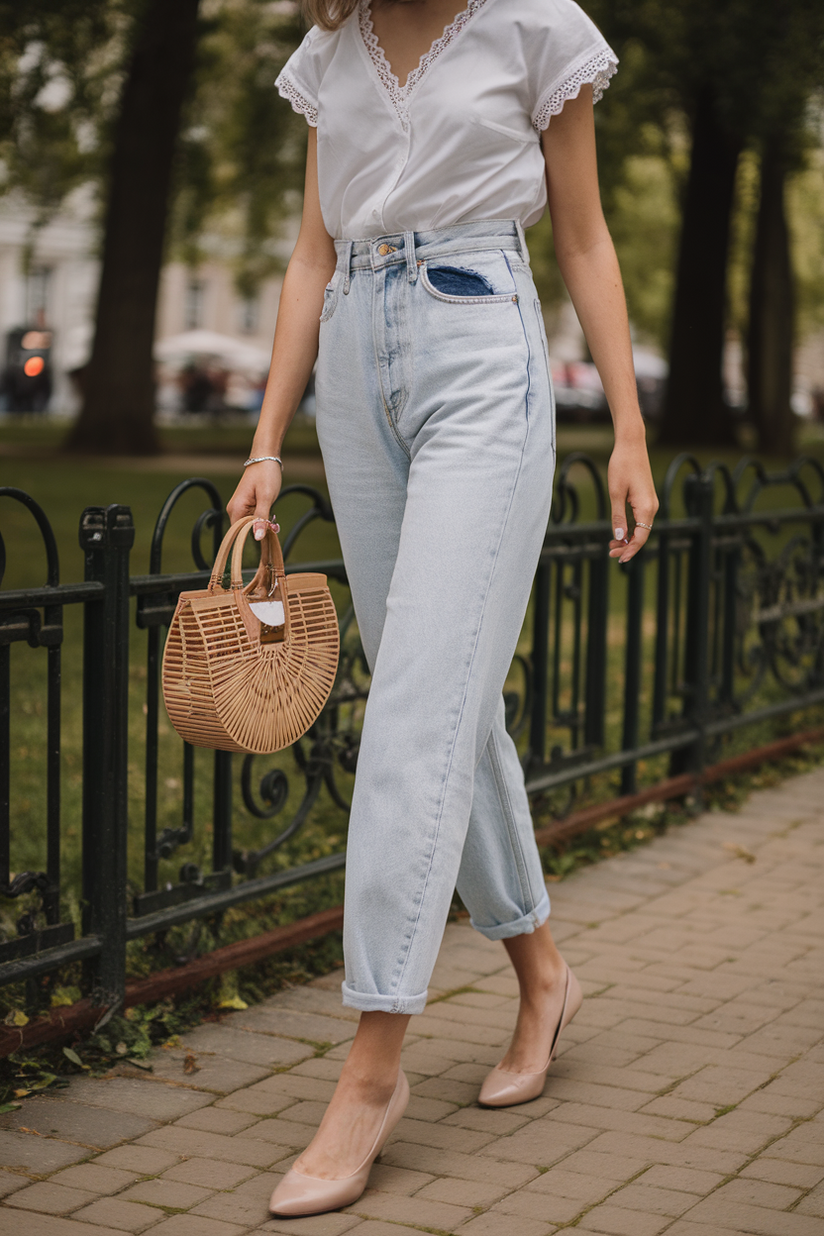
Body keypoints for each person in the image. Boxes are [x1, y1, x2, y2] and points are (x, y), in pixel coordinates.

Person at [227, 0, 659, 1218]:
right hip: (355, 374)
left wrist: (626, 427)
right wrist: (266, 441)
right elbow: (310, 256)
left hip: (482, 353)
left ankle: (370, 1071)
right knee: (448, 707)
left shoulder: (535, 28)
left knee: (415, 710)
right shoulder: (327, 50)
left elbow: (582, 240)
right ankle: (541, 971)